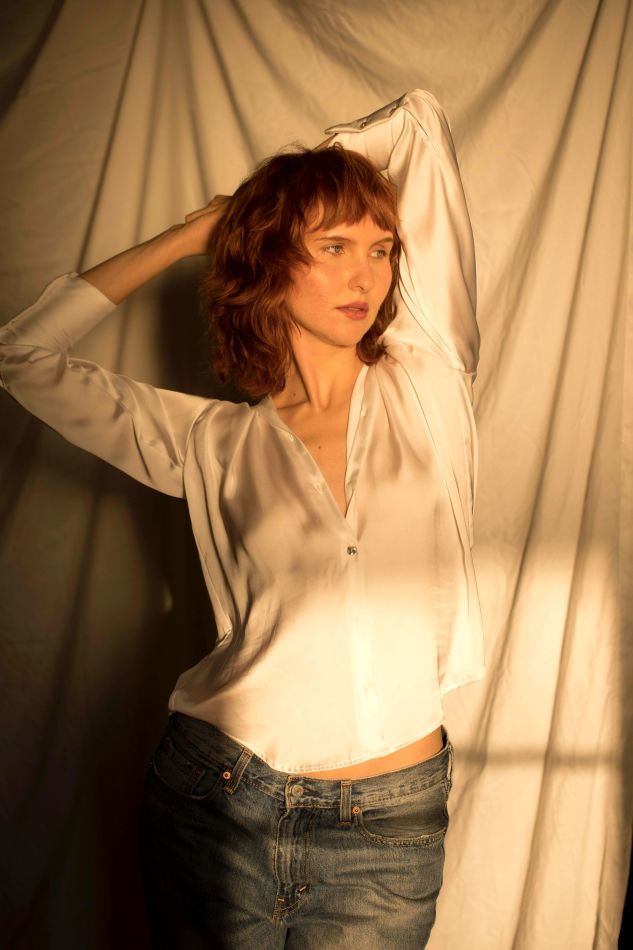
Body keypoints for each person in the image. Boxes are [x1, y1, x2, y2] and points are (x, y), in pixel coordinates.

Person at [0, 89, 483, 948]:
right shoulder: (209, 441)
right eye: (332, 247)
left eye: (379, 249)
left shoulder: (427, 381)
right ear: (269, 261)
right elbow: (21, 357)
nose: (365, 276)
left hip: (386, 829)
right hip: (216, 802)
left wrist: (298, 186)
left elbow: (417, 120)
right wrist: (192, 235)